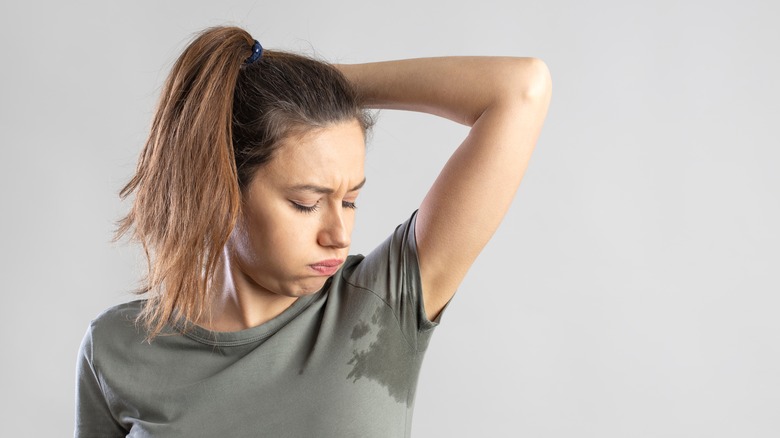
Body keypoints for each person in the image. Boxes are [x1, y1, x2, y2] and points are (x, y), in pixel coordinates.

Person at [74, 25, 551, 437]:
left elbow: (521, 87)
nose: (338, 234)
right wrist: (228, 103)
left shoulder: (384, 304)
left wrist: (303, 85)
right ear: (219, 191)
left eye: (350, 201)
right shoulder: (117, 349)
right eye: (306, 204)